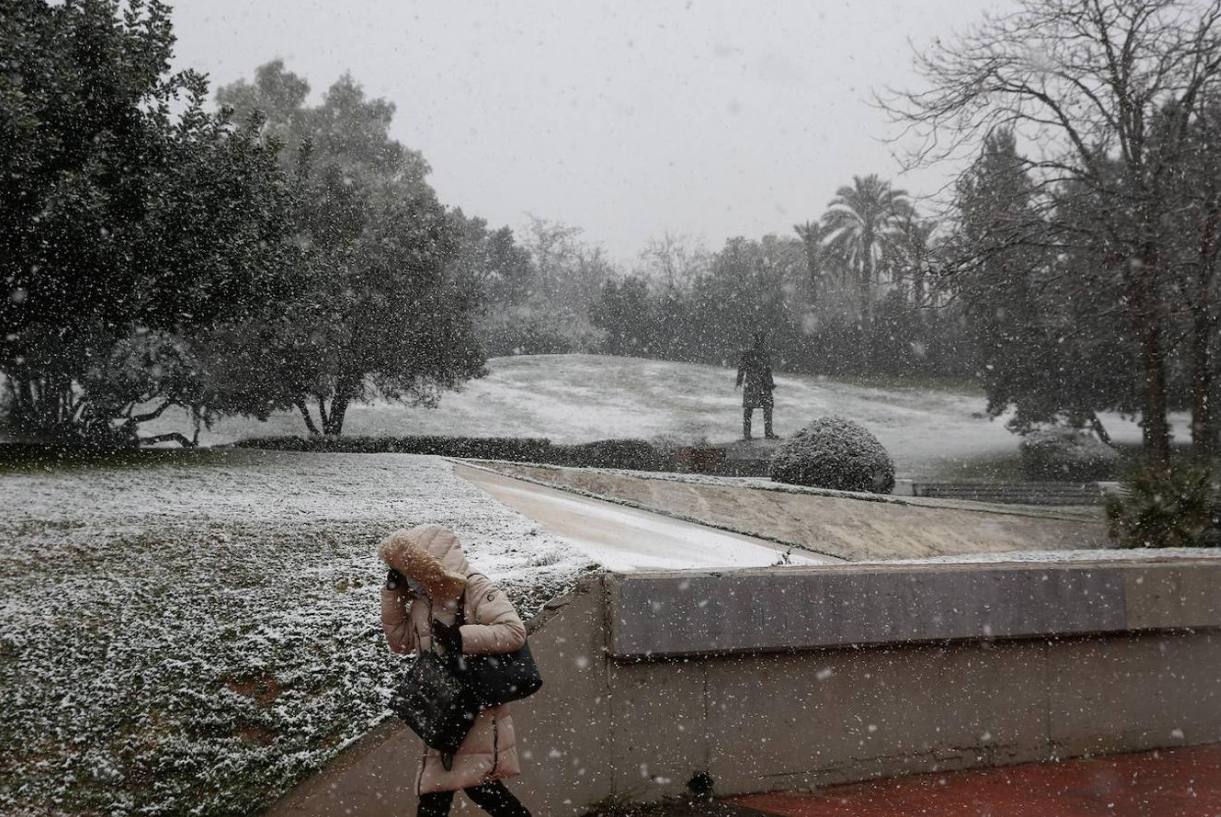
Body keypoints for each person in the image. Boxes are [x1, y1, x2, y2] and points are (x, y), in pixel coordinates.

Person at [379, 524, 533, 817]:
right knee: (464, 790)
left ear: (430, 562)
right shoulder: (422, 599)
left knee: (455, 791)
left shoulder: (475, 586)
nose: (409, 577)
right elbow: (399, 643)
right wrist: (393, 594)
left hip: (473, 708)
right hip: (444, 709)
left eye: (410, 569)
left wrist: (460, 637)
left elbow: (514, 631)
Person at [735, 331, 777, 440]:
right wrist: (739, 381)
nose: (761, 342)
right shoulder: (752, 354)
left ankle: (753, 433)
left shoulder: (756, 354)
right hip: (756, 384)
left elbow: (767, 370)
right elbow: (742, 368)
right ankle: (754, 433)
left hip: (758, 385)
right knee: (753, 409)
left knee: (756, 409)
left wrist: (770, 383)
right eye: (760, 340)